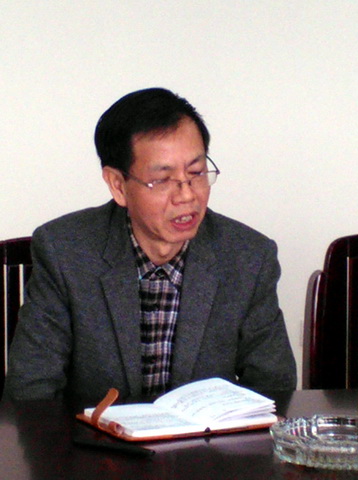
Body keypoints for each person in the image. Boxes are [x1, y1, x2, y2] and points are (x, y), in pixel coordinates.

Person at [6, 88, 297, 403]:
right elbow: (31, 392)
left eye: (196, 172)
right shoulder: (64, 252)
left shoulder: (249, 257)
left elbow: (274, 388)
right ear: (118, 185)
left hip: (206, 436)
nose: (187, 195)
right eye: (162, 180)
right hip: (91, 435)